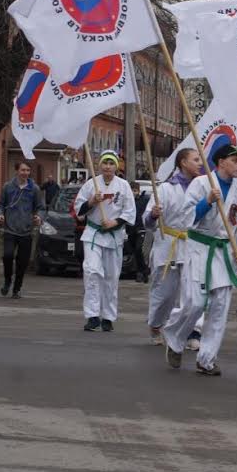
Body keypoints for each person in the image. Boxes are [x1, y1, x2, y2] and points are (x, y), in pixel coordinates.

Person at [162, 144, 237, 376]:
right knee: (195, 303)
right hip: (200, 248)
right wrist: (208, 202)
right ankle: (175, 337)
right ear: (221, 162)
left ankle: (206, 359)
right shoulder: (201, 184)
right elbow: (185, 218)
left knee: (220, 307)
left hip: (224, 254)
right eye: (235, 160)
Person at [143, 148, 200, 346]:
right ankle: (156, 325)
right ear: (183, 162)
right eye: (195, 159)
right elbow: (147, 221)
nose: (200, 163)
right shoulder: (166, 189)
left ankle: (191, 332)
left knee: (193, 293)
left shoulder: (202, 187)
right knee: (165, 293)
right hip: (168, 244)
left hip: (193, 245)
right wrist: (153, 215)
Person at [74, 151, 136, 331]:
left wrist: (114, 222)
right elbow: (79, 210)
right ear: (100, 165)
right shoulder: (90, 184)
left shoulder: (123, 186)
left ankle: (108, 316)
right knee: (92, 272)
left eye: (111, 163)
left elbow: (130, 212)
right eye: (105, 163)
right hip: (93, 234)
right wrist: (92, 201)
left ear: (116, 166)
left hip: (113, 236)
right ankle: (93, 315)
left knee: (110, 277)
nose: (108, 166)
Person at [0, 161, 43, 299]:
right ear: (17, 171)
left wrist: (38, 217)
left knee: (22, 262)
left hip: (26, 231)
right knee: (7, 256)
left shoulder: (34, 189)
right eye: (23, 170)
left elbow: (40, 207)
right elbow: (0, 205)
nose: (25, 173)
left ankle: (16, 289)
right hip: (10, 229)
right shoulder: (8, 187)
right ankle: (7, 281)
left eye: (28, 170)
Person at [127, 181, 151, 283]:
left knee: (138, 249)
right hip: (130, 230)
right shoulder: (127, 201)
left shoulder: (144, 200)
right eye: (131, 190)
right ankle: (143, 271)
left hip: (141, 229)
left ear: (138, 191)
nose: (133, 193)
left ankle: (141, 272)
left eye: (135, 190)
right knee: (133, 252)